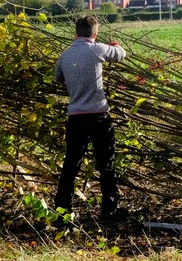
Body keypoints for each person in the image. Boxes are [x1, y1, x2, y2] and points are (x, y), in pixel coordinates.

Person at [53, 14, 127, 223]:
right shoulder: (98, 49)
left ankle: (62, 212)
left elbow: (58, 78)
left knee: (70, 166)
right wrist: (115, 45)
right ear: (95, 33)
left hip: (76, 118)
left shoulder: (65, 56)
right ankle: (109, 213)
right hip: (99, 117)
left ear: (75, 33)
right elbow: (121, 54)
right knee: (106, 165)